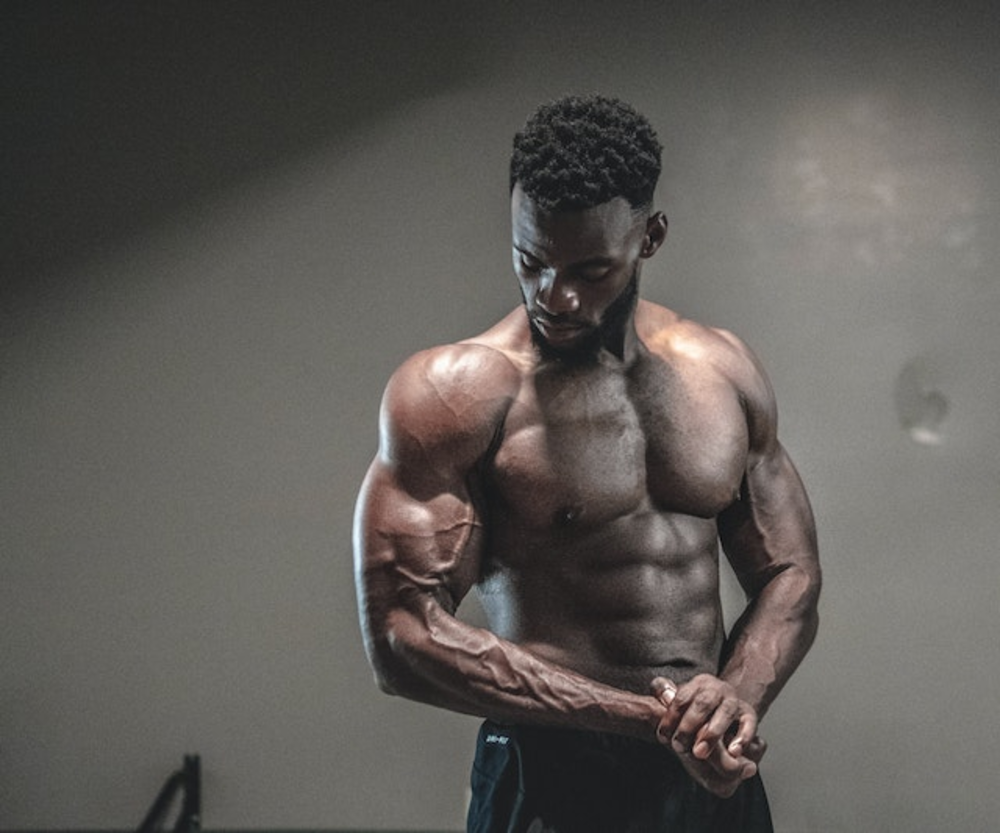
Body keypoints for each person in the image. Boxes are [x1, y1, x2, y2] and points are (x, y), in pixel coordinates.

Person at [353, 95, 821, 832]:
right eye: (530, 260)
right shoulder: (457, 394)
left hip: (705, 771)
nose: (555, 295)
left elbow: (790, 573)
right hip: (549, 775)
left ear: (650, 237)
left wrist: (736, 697)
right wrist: (650, 719)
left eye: (590, 268)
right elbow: (400, 636)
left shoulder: (722, 371)